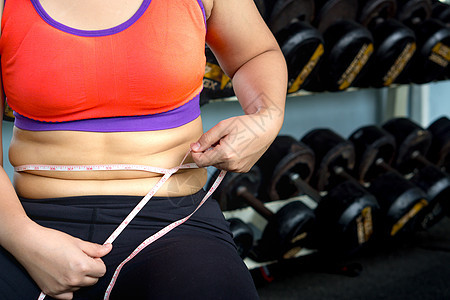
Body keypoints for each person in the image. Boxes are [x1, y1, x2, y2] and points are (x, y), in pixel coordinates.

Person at [0, 0, 287, 299]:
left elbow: (255, 54)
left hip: (174, 221)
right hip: (30, 221)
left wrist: (267, 116)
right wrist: (25, 240)